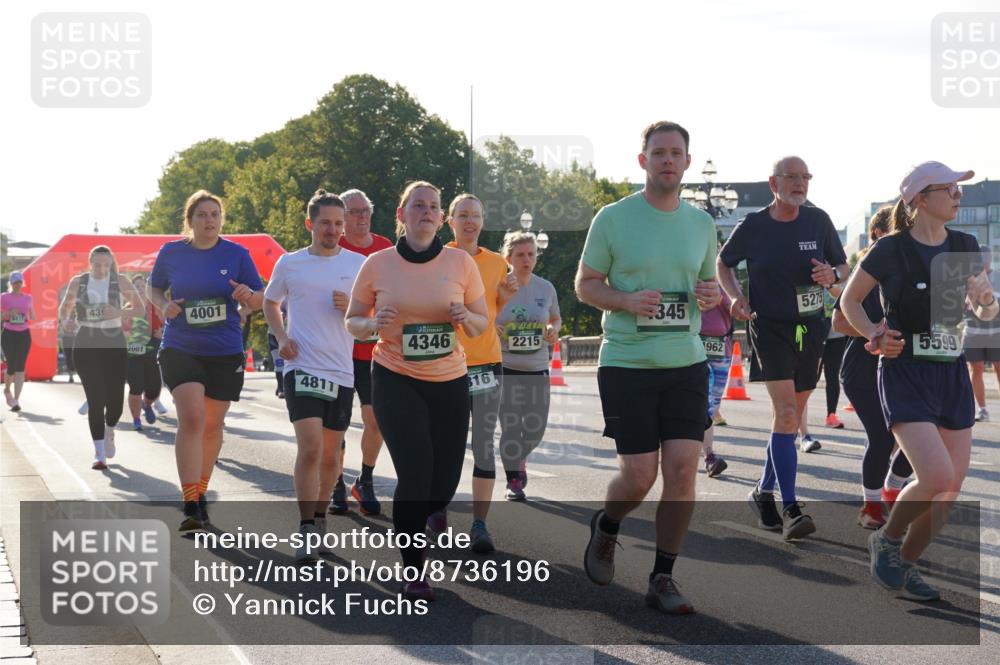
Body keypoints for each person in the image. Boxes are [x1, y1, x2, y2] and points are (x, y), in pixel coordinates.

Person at [576, 121, 721, 615]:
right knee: (639, 476)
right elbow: (585, 284)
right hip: (627, 363)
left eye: (675, 153)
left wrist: (711, 293)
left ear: (685, 161)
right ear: (643, 161)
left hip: (686, 363)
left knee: (682, 471)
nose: (666, 160)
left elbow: (708, 287)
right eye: (657, 152)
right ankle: (608, 525)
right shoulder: (613, 218)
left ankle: (663, 576)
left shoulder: (701, 224)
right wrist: (625, 300)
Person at [841, 161, 994, 601]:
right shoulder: (891, 250)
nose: (959, 196)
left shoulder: (964, 245)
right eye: (950, 189)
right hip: (905, 369)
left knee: (949, 489)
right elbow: (850, 301)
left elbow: (984, 313)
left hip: (950, 369)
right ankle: (886, 539)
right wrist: (873, 332)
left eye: (959, 189)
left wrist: (985, 299)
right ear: (921, 198)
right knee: (935, 474)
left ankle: (905, 564)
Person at [346, 180, 488, 601]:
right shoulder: (378, 264)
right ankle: (413, 569)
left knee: (442, 484)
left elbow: (481, 324)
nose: (426, 212)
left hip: (449, 379)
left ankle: (422, 514)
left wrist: (465, 316)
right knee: (416, 470)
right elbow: (352, 319)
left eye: (433, 207)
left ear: (442, 218)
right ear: (402, 214)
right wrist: (372, 325)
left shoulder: (461, 263)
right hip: (394, 374)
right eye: (418, 205)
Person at [718, 156, 848, 540]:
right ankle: (791, 507)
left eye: (805, 177)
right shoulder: (754, 225)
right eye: (792, 177)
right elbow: (722, 264)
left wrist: (831, 275)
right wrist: (735, 298)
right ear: (773, 183)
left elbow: (842, 268)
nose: (800, 183)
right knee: (787, 414)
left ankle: (762, 492)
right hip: (770, 327)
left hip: (811, 327)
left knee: (791, 418)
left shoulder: (818, 220)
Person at [148, 190, 264, 531]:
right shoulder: (171, 253)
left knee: (213, 425)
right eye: (202, 214)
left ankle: (200, 494)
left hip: (224, 349)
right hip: (181, 345)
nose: (209, 220)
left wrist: (247, 297)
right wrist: (162, 306)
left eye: (215, 214)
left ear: (221, 219)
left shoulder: (237, 254)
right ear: (190, 220)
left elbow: (259, 299)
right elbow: (154, 288)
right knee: (193, 417)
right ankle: (190, 502)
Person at [264, 189, 364, 561]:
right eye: (326, 223)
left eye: (339, 223)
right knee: (310, 448)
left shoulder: (357, 264)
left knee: (331, 457)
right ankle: (306, 525)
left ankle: (320, 517)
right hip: (301, 365)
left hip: (341, 369)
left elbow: (370, 318)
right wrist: (282, 338)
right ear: (310, 224)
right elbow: (270, 302)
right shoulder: (290, 264)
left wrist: (353, 307)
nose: (334, 230)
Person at [427, 193, 518, 554]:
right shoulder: (436, 256)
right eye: (462, 215)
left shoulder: (497, 263)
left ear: (483, 221)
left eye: (476, 216)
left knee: (483, 444)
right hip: (446, 363)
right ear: (449, 221)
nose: (469, 221)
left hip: (486, 363)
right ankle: (436, 508)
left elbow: (495, 311)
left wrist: (508, 295)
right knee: (444, 445)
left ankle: (480, 525)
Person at [833, 206, 914, 529]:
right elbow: (839, 320)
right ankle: (871, 506)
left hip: (904, 368)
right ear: (880, 236)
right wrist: (874, 332)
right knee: (881, 439)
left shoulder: (915, 270)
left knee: (919, 436)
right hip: (862, 370)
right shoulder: (868, 272)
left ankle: (891, 491)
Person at [328, 188, 394, 516]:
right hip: (337, 350)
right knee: (337, 423)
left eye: (366, 210)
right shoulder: (331, 249)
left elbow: (399, 296)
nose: (362, 217)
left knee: (376, 420)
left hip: (374, 351)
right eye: (354, 212)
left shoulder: (386, 250)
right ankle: (335, 481)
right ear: (341, 219)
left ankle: (364, 479)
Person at [58, 246, 144, 469]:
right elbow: (64, 307)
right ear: (90, 263)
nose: (102, 269)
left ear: (111, 263)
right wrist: (66, 320)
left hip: (114, 341)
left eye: (106, 264)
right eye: (97, 265)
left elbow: (140, 309)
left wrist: (119, 313)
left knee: (114, 403)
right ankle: (99, 453)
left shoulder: (120, 281)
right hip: (86, 340)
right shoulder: (79, 282)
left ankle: (110, 430)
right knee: (96, 400)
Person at [495, 231, 561, 500]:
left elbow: (556, 319)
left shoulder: (545, 288)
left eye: (531, 254)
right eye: (520, 255)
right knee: (510, 426)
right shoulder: (498, 286)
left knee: (535, 428)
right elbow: (484, 316)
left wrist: (551, 329)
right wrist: (493, 327)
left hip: (536, 367)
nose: (526, 259)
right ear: (508, 257)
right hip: (505, 366)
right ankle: (513, 479)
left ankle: (519, 457)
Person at [699, 268, 731, 477]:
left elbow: (736, 308)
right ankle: (709, 456)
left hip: (721, 348)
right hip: (693, 345)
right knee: (700, 403)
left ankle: (704, 452)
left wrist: (720, 296)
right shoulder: (686, 274)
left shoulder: (726, 280)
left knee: (711, 406)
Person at [963, 245, 1000, 422]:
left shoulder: (998, 276)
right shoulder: (967, 278)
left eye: (986, 257)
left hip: (997, 332)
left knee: (999, 368)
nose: (983, 261)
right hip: (973, 331)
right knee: (975, 368)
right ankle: (983, 409)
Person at [125, 274, 164, 430]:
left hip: (152, 348)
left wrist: (162, 332)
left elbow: (169, 325)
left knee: (154, 388)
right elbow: (118, 331)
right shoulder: (128, 308)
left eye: (143, 286)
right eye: (137, 287)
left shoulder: (157, 307)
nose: (140, 290)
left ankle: (147, 405)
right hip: (133, 351)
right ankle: (136, 420)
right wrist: (126, 334)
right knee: (136, 386)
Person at [2, 271, 35, 412]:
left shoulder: (28, 298)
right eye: (15, 282)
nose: (18, 284)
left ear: (22, 283)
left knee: (21, 366)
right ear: (11, 283)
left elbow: (33, 316)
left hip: (24, 335)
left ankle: (16, 400)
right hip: (9, 334)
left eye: (20, 282)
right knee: (11, 365)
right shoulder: (4, 297)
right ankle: (7, 389)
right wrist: (8, 314)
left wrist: (29, 314)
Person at [820, 288, 848, 429]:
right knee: (807, 379)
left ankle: (831, 415)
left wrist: (831, 284)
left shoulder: (843, 277)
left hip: (837, 337)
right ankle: (796, 416)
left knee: (832, 377)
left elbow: (845, 297)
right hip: (815, 336)